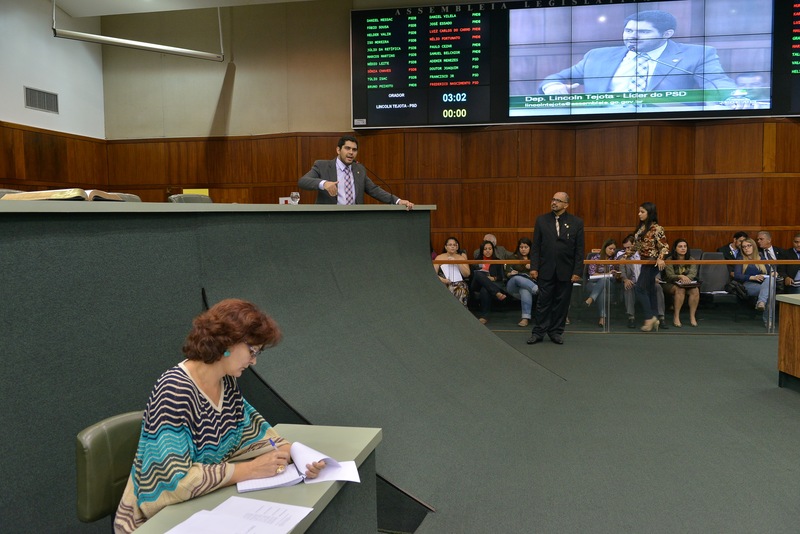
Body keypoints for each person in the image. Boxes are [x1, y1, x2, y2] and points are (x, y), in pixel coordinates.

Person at [114, 299, 326, 533]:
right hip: (154, 522)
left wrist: (295, 455)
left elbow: (253, 434)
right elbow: (172, 483)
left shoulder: (226, 382)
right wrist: (249, 470)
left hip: (203, 506)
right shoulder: (174, 391)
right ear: (228, 341)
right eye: (252, 351)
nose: (254, 361)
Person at [540, 10, 736, 96]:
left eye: (643, 32)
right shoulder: (598, 56)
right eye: (628, 31)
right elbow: (554, 78)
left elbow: (717, 82)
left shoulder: (697, 54)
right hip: (599, 125)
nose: (632, 37)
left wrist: (732, 97)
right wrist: (552, 86)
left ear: (667, 34)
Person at [527, 192, 584, 345]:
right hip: (546, 270)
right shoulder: (541, 220)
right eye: (553, 199)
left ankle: (556, 332)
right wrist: (534, 267)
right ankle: (538, 332)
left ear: (566, 205)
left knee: (561, 304)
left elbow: (579, 250)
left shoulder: (576, 222)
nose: (554, 202)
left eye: (558, 200)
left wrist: (577, 271)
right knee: (542, 303)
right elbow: (536, 247)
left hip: (566, 271)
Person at [298, 135, 414, 209]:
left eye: (354, 150)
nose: (351, 152)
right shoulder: (322, 166)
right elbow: (303, 181)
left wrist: (397, 201)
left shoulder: (359, 169)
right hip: (329, 219)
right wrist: (324, 184)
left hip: (354, 219)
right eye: (347, 148)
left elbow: (374, 190)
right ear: (338, 150)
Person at [626, 202, 669, 332]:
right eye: (639, 211)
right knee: (650, 290)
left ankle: (649, 317)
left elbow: (664, 247)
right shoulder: (642, 228)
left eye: (642, 212)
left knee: (639, 288)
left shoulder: (657, 228)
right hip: (644, 262)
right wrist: (627, 255)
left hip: (652, 262)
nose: (639, 214)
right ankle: (654, 316)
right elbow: (637, 245)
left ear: (649, 213)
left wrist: (660, 258)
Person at [663, 238, 700, 327]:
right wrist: (680, 276)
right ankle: (676, 316)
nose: (683, 248)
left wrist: (685, 278)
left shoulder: (691, 259)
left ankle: (692, 316)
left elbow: (692, 274)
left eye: (685, 246)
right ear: (675, 249)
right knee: (680, 290)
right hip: (670, 283)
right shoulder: (670, 259)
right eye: (680, 246)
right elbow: (670, 275)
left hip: (687, 283)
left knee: (695, 290)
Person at [734, 238, 775, 313]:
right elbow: (737, 275)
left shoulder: (761, 258)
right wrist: (753, 277)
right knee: (769, 291)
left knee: (770, 281)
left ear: (754, 246)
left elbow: (769, 271)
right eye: (744, 247)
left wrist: (773, 273)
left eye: (749, 246)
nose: (746, 248)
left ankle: (761, 303)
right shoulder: (740, 259)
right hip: (748, 285)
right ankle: (768, 318)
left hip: (763, 283)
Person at [505, 237, 539, 327]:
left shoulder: (534, 259)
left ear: (530, 248)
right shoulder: (513, 257)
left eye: (526, 247)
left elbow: (539, 274)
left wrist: (533, 268)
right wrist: (510, 273)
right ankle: (537, 290)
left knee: (525, 291)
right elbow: (506, 272)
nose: (523, 249)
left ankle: (525, 318)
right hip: (513, 285)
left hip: (528, 285)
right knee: (517, 278)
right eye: (521, 247)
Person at [471, 240, 506, 325]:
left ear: (493, 250)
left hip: (491, 284)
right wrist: (483, 277)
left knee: (485, 289)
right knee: (478, 273)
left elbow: (501, 277)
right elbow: (472, 275)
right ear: (482, 250)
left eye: (490, 249)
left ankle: (484, 316)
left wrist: (493, 278)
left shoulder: (497, 261)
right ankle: (496, 293)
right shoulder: (476, 261)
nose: (487, 251)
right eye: (485, 249)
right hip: (476, 285)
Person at [584, 238, 617, 328]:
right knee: (603, 288)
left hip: (610, 284)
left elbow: (616, 276)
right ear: (605, 248)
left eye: (614, 249)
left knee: (604, 280)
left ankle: (590, 299)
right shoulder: (595, 258)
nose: (612, 251)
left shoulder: (614, 260)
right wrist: (607, 274)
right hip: (593, 284)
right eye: (610, 248)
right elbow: (591, 273)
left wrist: (614, 274)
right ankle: (602, 318)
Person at [434, 236, 471, 306]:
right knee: (448, 289)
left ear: (457, 247)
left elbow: (467, 274)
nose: (452, 247)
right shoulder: (439, 257)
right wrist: (444, 280)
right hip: (443, 282)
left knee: (461, 290)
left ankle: (459, 310)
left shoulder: (461, 258)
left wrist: (457, 262)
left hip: (459, 284)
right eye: (450, 245)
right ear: (446, 247)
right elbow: (433, 274)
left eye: (454, 245)